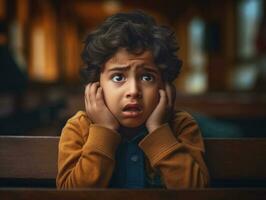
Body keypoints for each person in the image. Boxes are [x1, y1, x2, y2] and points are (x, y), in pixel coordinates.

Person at [56, 10, 209, 189]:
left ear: (164, 86)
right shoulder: (79, 128)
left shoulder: (182, 125)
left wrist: (158, 130)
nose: (134, 91)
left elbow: (197, 192)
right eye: (118, 77)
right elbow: (70, 194)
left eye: (147, 78)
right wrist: (104, 130)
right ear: (96, 86)